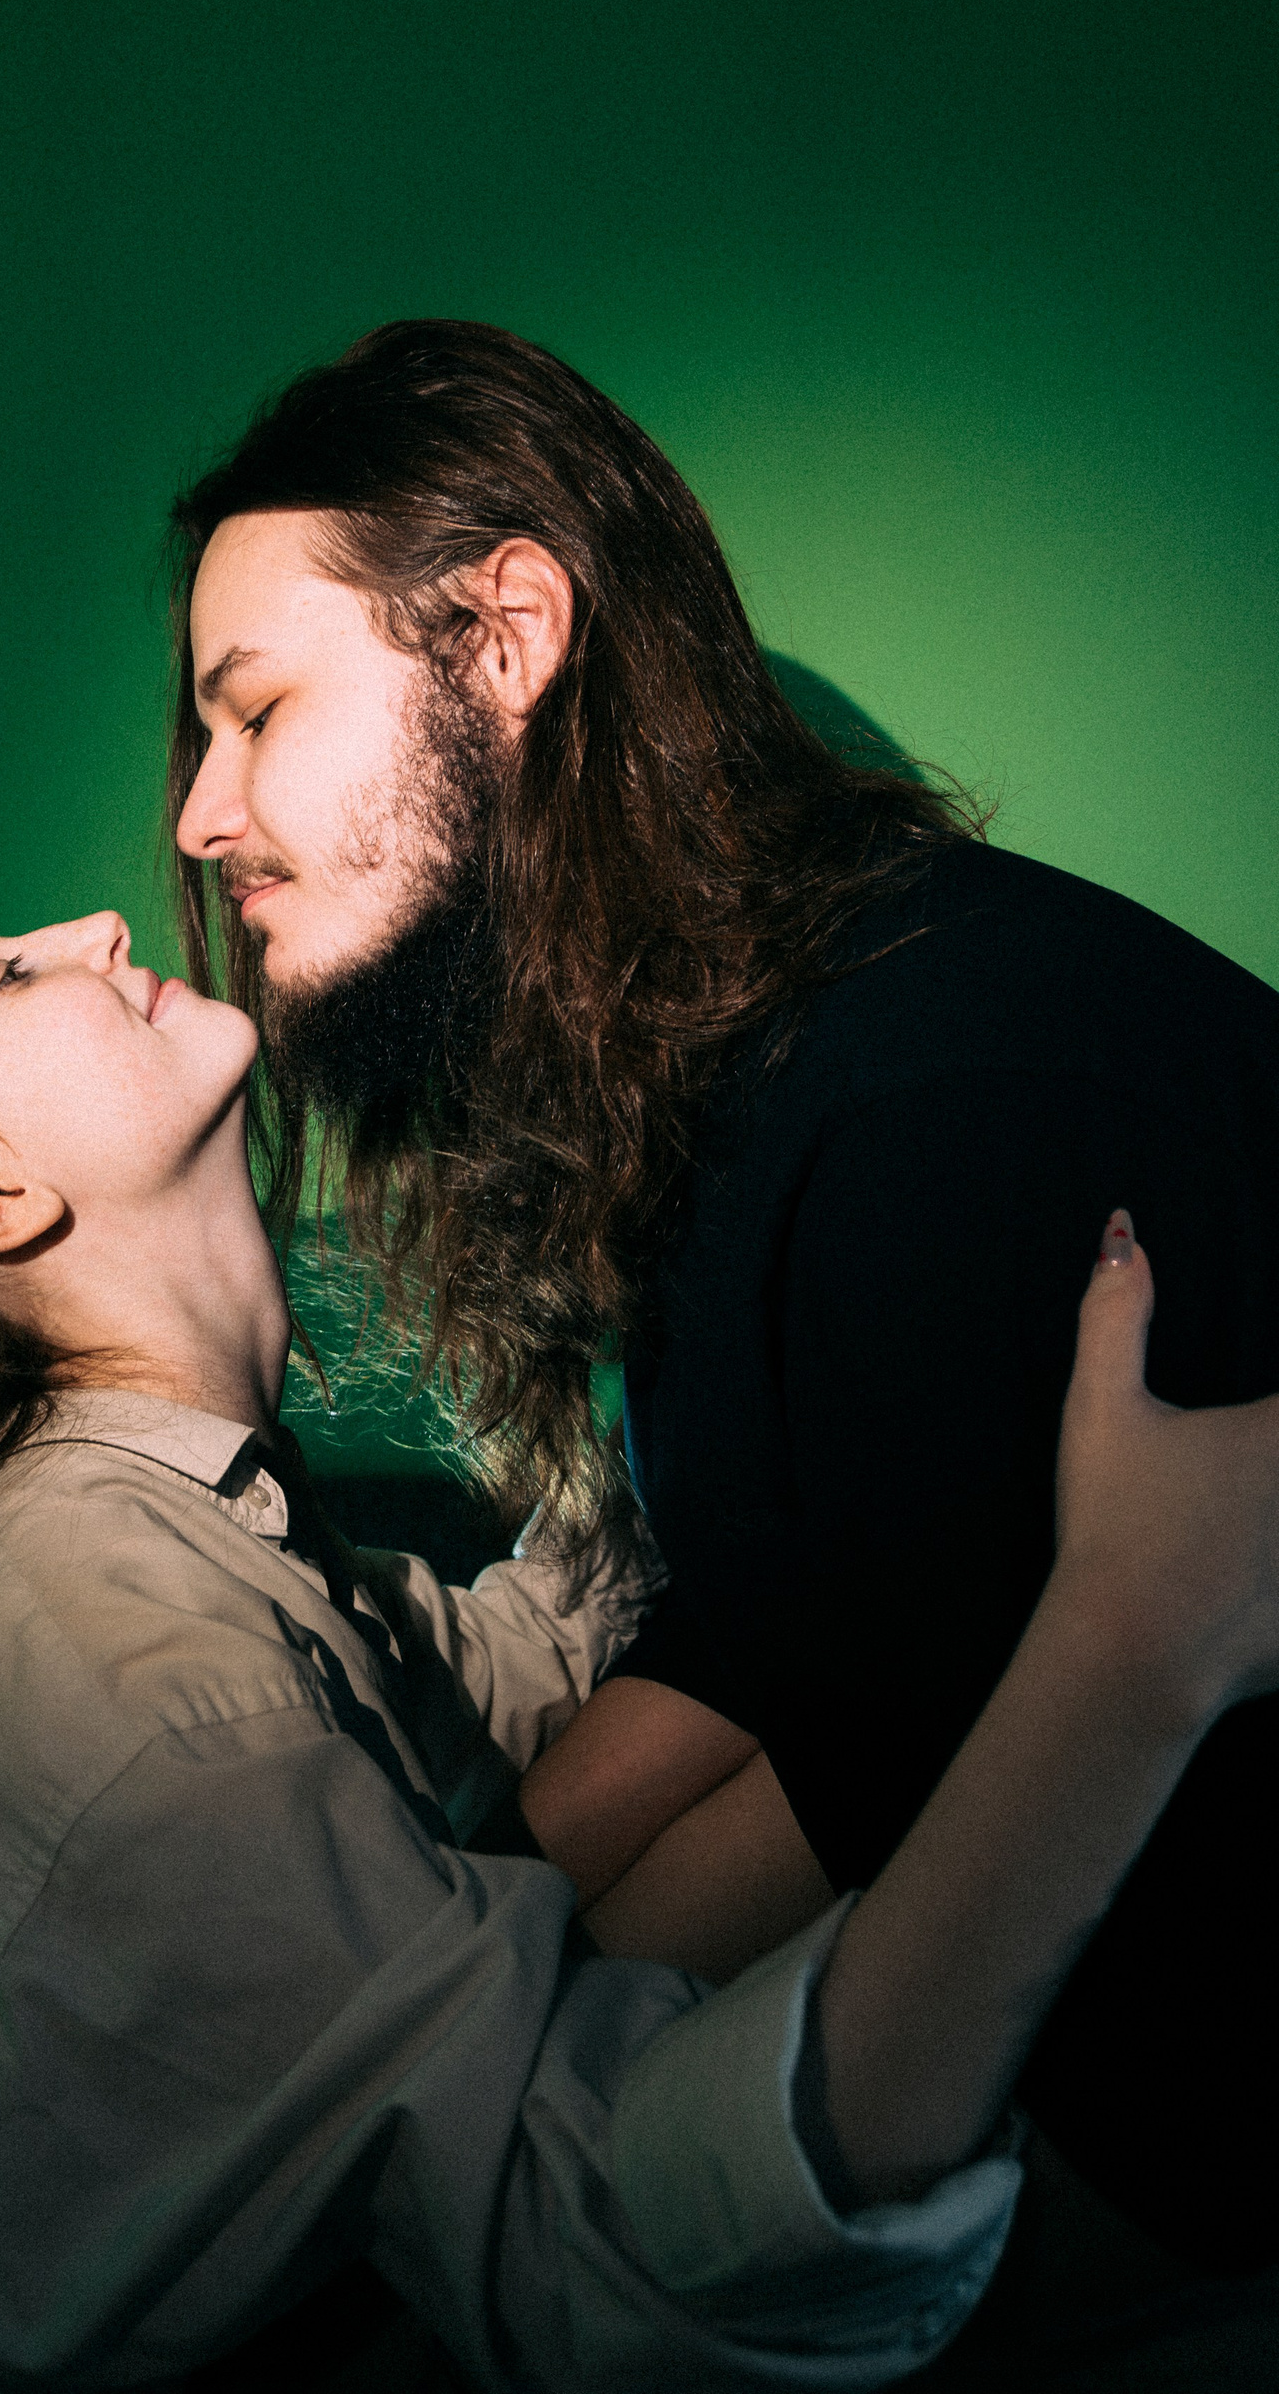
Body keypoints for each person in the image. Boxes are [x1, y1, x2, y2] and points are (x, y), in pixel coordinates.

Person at [0, 907, 1279, 2392]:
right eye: (3, 970)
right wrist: (1137, 1637)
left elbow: (514, 1664)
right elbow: (626, 2254)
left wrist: (757, 1324)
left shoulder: (181, 1530)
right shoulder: (108, 1661)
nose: (100, 925)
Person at [167, 317, 1279, 2278]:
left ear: (507, 639)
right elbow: (789, 1644)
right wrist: (465, 1980)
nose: (202, 814)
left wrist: (441, 2140)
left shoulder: (921, 1112)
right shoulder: (737, 1061)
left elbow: (916, 1831)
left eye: (256, 712)